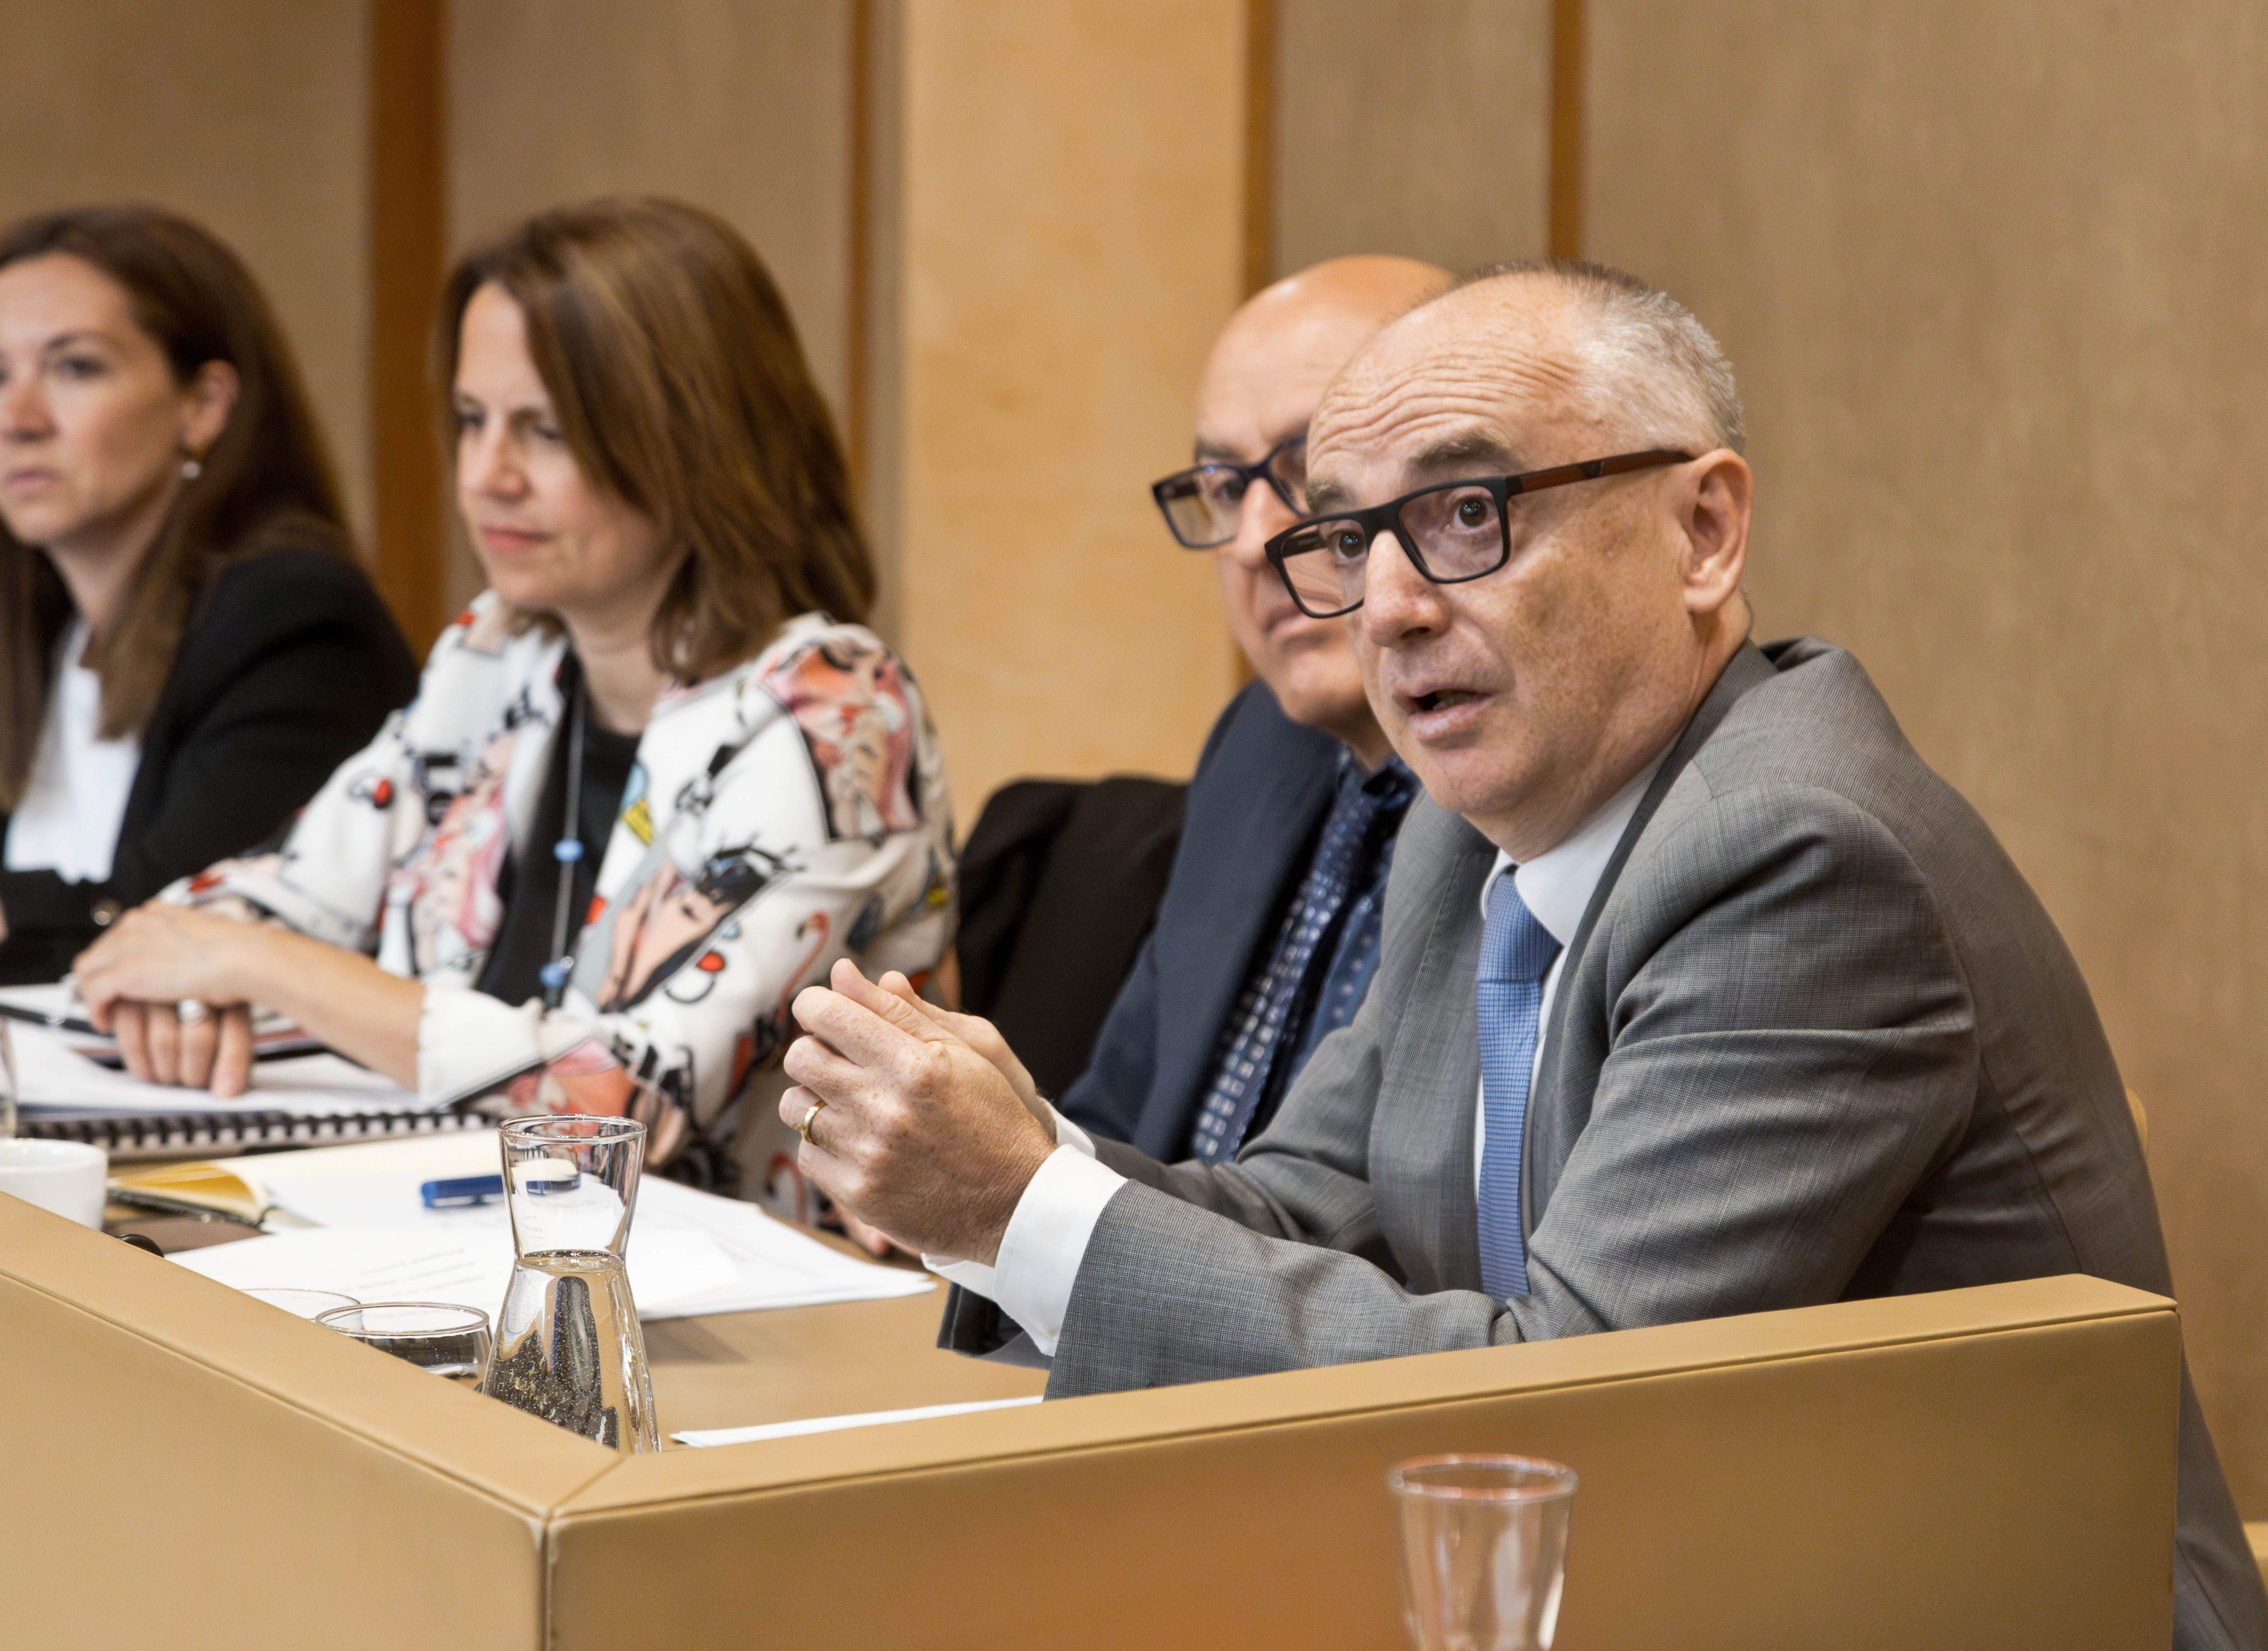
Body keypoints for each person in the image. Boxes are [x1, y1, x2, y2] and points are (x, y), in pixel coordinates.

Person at [775, 262, 2267, 1647]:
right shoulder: (1463, 830)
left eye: (1467, 514)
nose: (1390, 608)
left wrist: (1028, 1208)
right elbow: (1307, 1204)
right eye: (1349, 538)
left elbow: (1564, 1405)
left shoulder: (1800, 858)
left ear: (1703, 531)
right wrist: (1006, 1161)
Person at [73, 197, 955, 1204]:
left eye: (545, 430)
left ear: (694, 440)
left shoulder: (836, 712)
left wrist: (256, 967)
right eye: (471, 421)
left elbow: (626, 1102)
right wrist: (184, 990)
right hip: (464, 1227)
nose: (486, 477)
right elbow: (282, 896)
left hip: (737, 1274)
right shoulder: (499, 653)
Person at [0, 206, 418, 984]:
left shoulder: (297, 622)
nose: (18, 420)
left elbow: (168, 925)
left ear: (203, 405)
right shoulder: (12, 637)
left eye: (75, 368)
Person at [1069, 255, 1447, 1163]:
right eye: (1226, 488)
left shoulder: (1530, 786)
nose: (1251, 542)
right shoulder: (1257, 744)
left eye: (1311, 470)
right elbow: (1115, 1117)